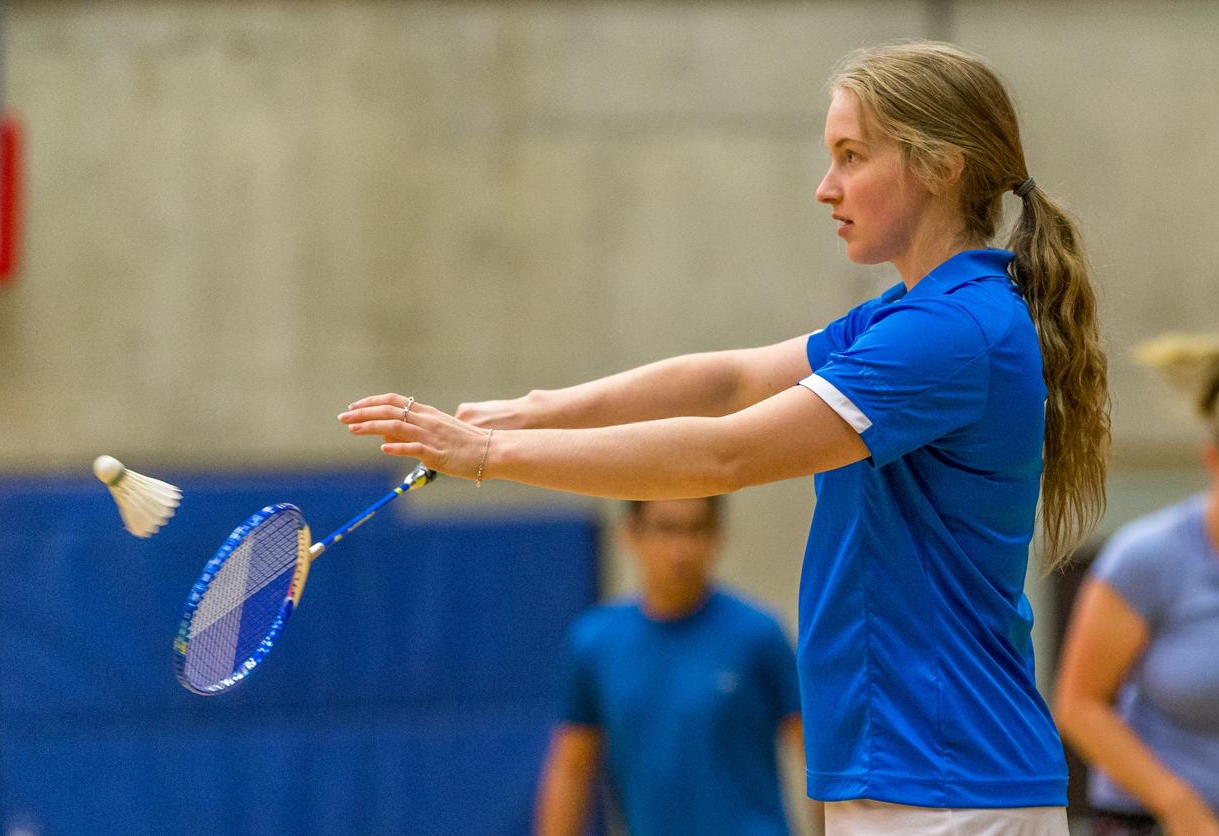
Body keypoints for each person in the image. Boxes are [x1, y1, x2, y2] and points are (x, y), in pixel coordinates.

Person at [339, 40, 1110, 834]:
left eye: (851, 156)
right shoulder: (906, 317)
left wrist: (492, 457)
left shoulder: (951, 332)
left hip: (953, 786)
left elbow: (726, 452)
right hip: (916, 780)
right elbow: (731, 380)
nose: (826, 187)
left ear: (941, 166)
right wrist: (538, 408)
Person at [533, 496, 803, 836]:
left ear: (716, 534)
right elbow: (572, 767)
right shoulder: (594, 643)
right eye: (666, 529)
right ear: (631, 533)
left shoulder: (759, 635)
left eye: (695, 529)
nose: (681, 549)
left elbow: (816, 755)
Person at [1054, 335, 1219, 836]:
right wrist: (1177, 804)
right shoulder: (1151, 556)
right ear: (1212, 459)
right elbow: (1079, 704)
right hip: (1150, 822)